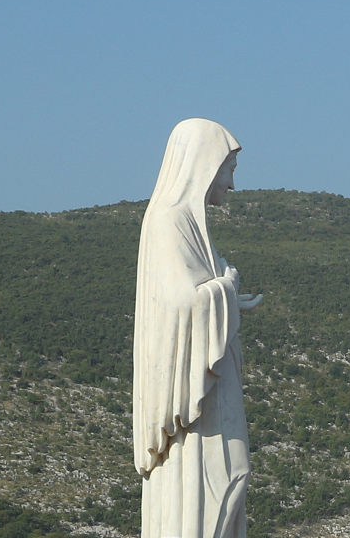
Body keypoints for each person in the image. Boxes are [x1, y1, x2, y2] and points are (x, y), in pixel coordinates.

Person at [132, 118, 263, 538]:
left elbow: (190, 295)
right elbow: (180, 302)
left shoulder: (190, 225)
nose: (231, 183)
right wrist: (226, 286)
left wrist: (227, 299)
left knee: (234, 475)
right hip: (195, 400)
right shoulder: (167, 220)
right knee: (222, 477)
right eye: (228, 169)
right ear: (204, 164)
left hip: (212, 381)